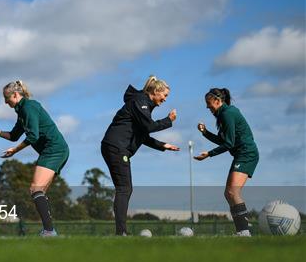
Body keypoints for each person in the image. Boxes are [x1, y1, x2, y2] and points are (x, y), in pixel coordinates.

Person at [0, 80, 69, 236]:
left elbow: (33, 136)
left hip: (54, 150)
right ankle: (49, 230)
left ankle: (49, 231)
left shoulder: (29, 107)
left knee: (35, 188)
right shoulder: (22, 111)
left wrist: (15, 150)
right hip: (54, 150)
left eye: (6, 98)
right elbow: (14, 136)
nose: (5, 101)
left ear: (15, 95)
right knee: (40, 192)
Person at [101, 76, 179, 236]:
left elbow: (143, 134)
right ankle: (121, 232)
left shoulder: (143, 105)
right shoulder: (140, 101)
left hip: (115, 147)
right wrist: (168, 120)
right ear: (156, 91)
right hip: (117, 147)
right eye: (164, 95)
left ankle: (120, 232)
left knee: (124, 189)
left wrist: (163, 145)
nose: (165, 99)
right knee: (124, 189)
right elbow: (149, 126)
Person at [195, 88, 259, 237]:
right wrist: (205, 133)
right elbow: (223, 141)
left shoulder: (227, 113)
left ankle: (244, 232)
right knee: (228, 193)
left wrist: (209, 154)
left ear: (218, 101)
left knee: (232, 192)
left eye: (209, 103)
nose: (207, 107)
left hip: (246, 154)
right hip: (241, 155)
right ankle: (242, 231)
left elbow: (228, 144)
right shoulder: (223, 114)